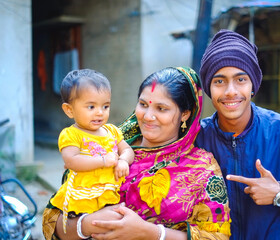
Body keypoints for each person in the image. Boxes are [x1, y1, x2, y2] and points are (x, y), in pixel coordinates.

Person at [42, 67, 231, 240]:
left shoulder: (201, 168)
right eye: (143, 104)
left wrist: (152, 233)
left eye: (161, 108)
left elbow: (217, 237)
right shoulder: (102, 144)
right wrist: (87, 224)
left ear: (185, 114)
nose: (148, 116)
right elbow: (52, 222)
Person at [195, 29, 280, 240]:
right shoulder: (196, 139)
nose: (230, 91)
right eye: (219, 81)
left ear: (253, 85)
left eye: (241, 79)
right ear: (209, 88)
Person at [49, 69, 135, 233]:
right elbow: (71, 161)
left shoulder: (111, 131)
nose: (100, 112)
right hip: (83, 196)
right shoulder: (72, 134)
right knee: (91, 229)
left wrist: (123, 160)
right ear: (69, 110)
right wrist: (103, 161)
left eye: (105, 106)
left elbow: (127, 149)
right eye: (91, 106)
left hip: (110, 192)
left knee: (110, 228)